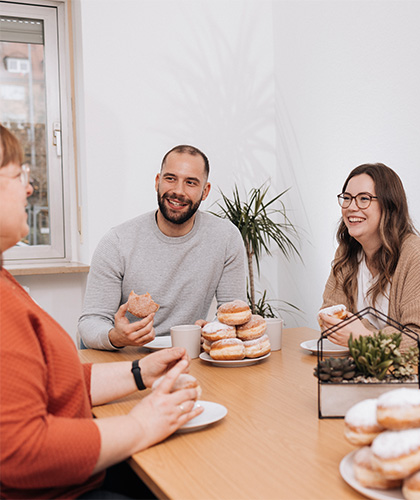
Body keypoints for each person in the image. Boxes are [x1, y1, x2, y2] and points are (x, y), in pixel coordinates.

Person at [0, 124, 203, 499]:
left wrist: (139, 372)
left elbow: (53, 382)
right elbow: (21, 453)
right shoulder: (118, 240)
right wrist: (141, 424)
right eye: (19, 175)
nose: (29, 189)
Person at [78, 145, 246, 350]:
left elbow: (234, 315)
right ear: (157, 182)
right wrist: (115, 336)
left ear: (205, 191)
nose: (178, 191)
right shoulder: (117, 242)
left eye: (191, 183)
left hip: (186, 355)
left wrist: (214, 330)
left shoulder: (226, 238)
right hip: (127, 358)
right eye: (170, 179)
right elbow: (90, 322)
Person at [318, 163, 420, 364]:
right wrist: (361, 336)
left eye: (364, 199)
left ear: (389, 206)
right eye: (347, 198)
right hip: (379, 367)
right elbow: (329, 315)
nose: (352, 207)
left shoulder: (418, 255)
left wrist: (362, 337)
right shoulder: (346, 252)